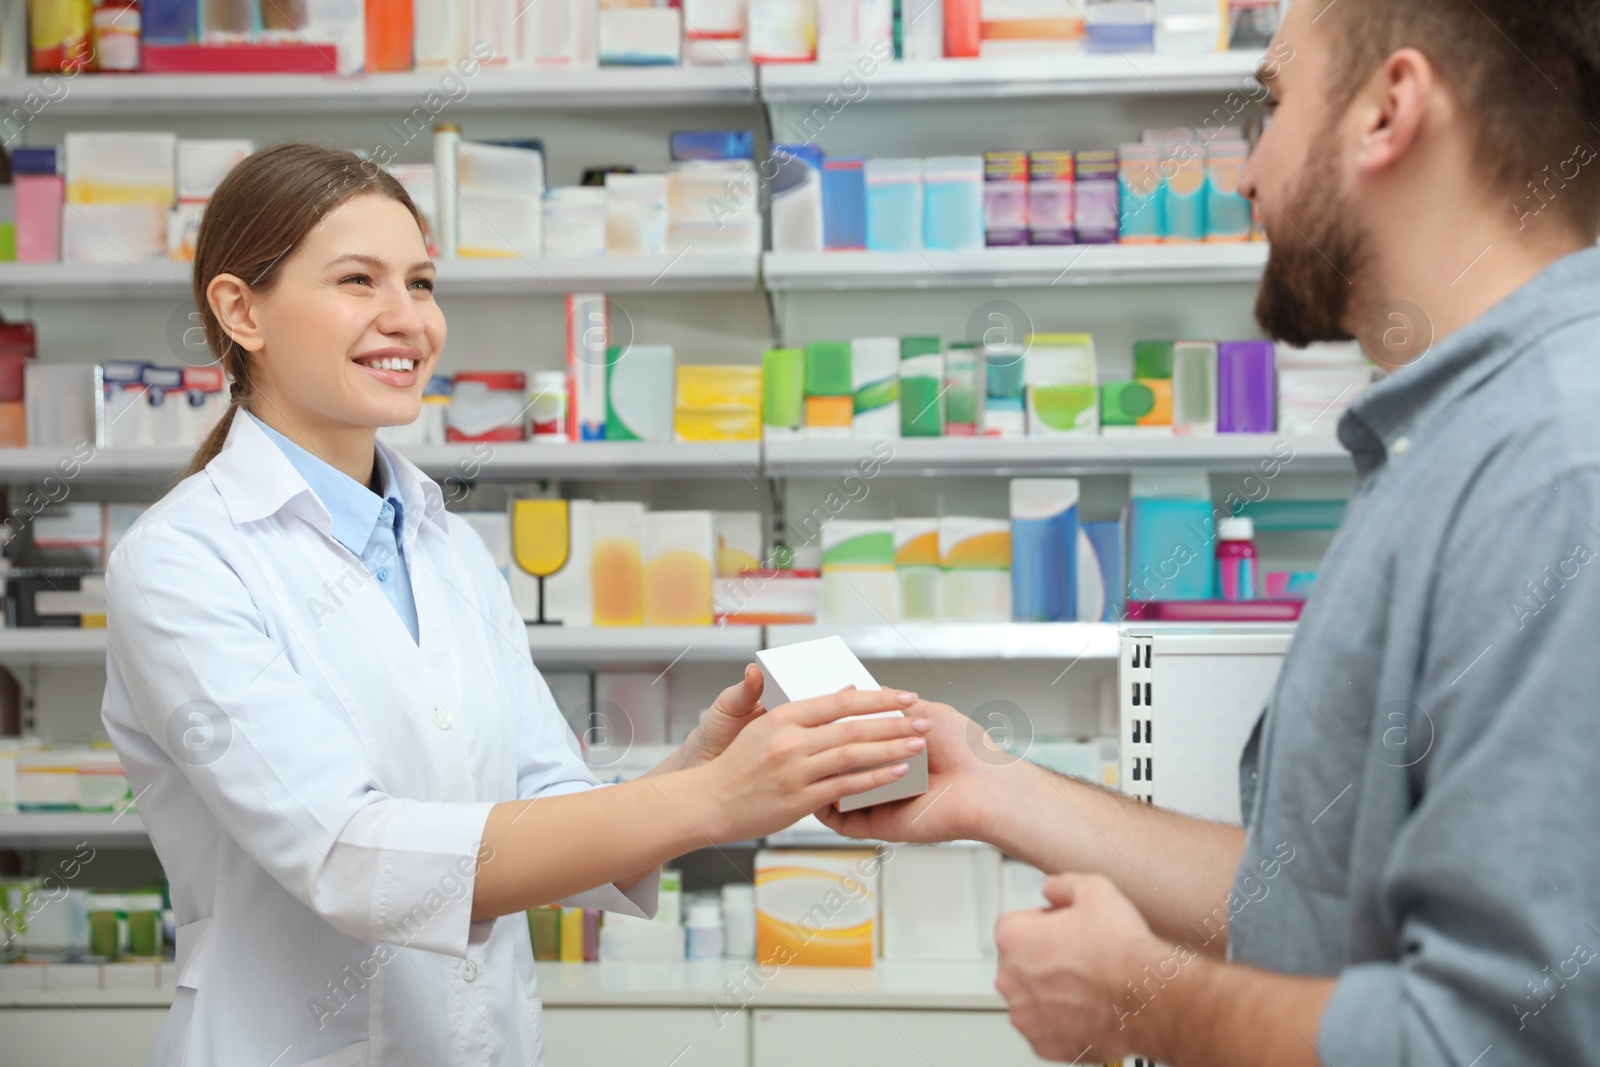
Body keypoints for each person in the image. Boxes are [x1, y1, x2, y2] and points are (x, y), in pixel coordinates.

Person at [823, 1, 1600, 1062]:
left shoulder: (1558, 467)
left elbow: (1500, 1038)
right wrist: (991, 786)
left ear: (1389, 110)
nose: (1243, 172)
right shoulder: (1461, 441)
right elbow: (1313, 899)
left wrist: (1143, 999)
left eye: (1271, 104)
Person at [100, 142, 931, 1067]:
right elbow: (351, 856)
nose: (405, 319)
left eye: (419, 282)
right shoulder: (181, 561)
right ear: (240, 309)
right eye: (357, 280)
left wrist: (699, 767)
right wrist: (709, 802)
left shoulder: (445, 542)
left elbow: (549, 802)